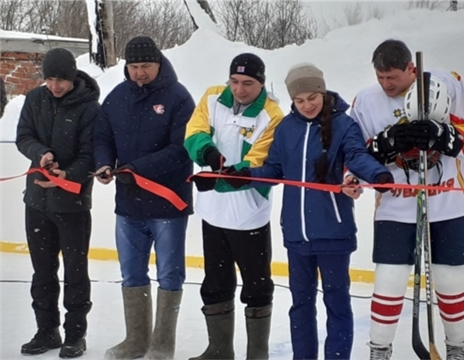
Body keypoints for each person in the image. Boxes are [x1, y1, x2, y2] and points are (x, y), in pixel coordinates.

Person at [225, 63, 394, 360]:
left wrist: (378, 175)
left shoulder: (343, 124)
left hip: (333, 234)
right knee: (300, 306)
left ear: (322, 91)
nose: (307, 105)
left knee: (337, 304)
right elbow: (274, 168)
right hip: (296, 235)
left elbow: (356, 155)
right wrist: (245, 175)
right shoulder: (287, 128)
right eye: (299, 100)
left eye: (312, 97)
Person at [348, 39, 464, 360]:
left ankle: (456, 349)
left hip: (450, 206)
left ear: (411, 68)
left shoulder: (447, 84)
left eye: (392, 77)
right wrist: (383, 146)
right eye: (380, 78)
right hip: (396, 209)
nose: (385, 85)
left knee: (450, 281)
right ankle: (379, 350)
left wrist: (446, 136)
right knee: (389, 282)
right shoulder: (366, 101)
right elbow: (355, 157)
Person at [93, 36, 195, 360]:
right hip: (128, 206)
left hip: (167, 204)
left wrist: (136, 168)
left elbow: (181, 150)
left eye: (145, 66)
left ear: (159, 63)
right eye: (134, 67)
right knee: (132, 273)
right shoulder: (117, 97)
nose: (139, 73)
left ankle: (162, 345)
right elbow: (101, 137)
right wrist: (105, 164)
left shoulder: (179, 98)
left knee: (169, 274)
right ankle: (136, 340)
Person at [185, 53, 284, 360]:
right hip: (213, 213)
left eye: (248, 83)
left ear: (261, 83)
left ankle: (257, 353)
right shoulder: (212, 96)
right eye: (235, 81)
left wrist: (218, 179)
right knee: (215, 282)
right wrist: (209, 155)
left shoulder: (272, 115)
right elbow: (194, 132)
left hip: (248, 215)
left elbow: (256, 164)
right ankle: (219, 350)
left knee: (257, 286)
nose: (240, 89)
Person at [16, 48, 100, 358]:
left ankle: (75, 334)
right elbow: (23, 135)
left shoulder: (90, 108)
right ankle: (46, 330)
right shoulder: (34, 100)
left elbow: (91, 153)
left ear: (73, 76)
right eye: (49, 79)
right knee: (42, 271)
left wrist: (66, 175)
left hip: (72, 204)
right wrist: (42, 154)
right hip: (37, 202)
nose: (54, 86)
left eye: (60, 80)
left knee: (75, 271)